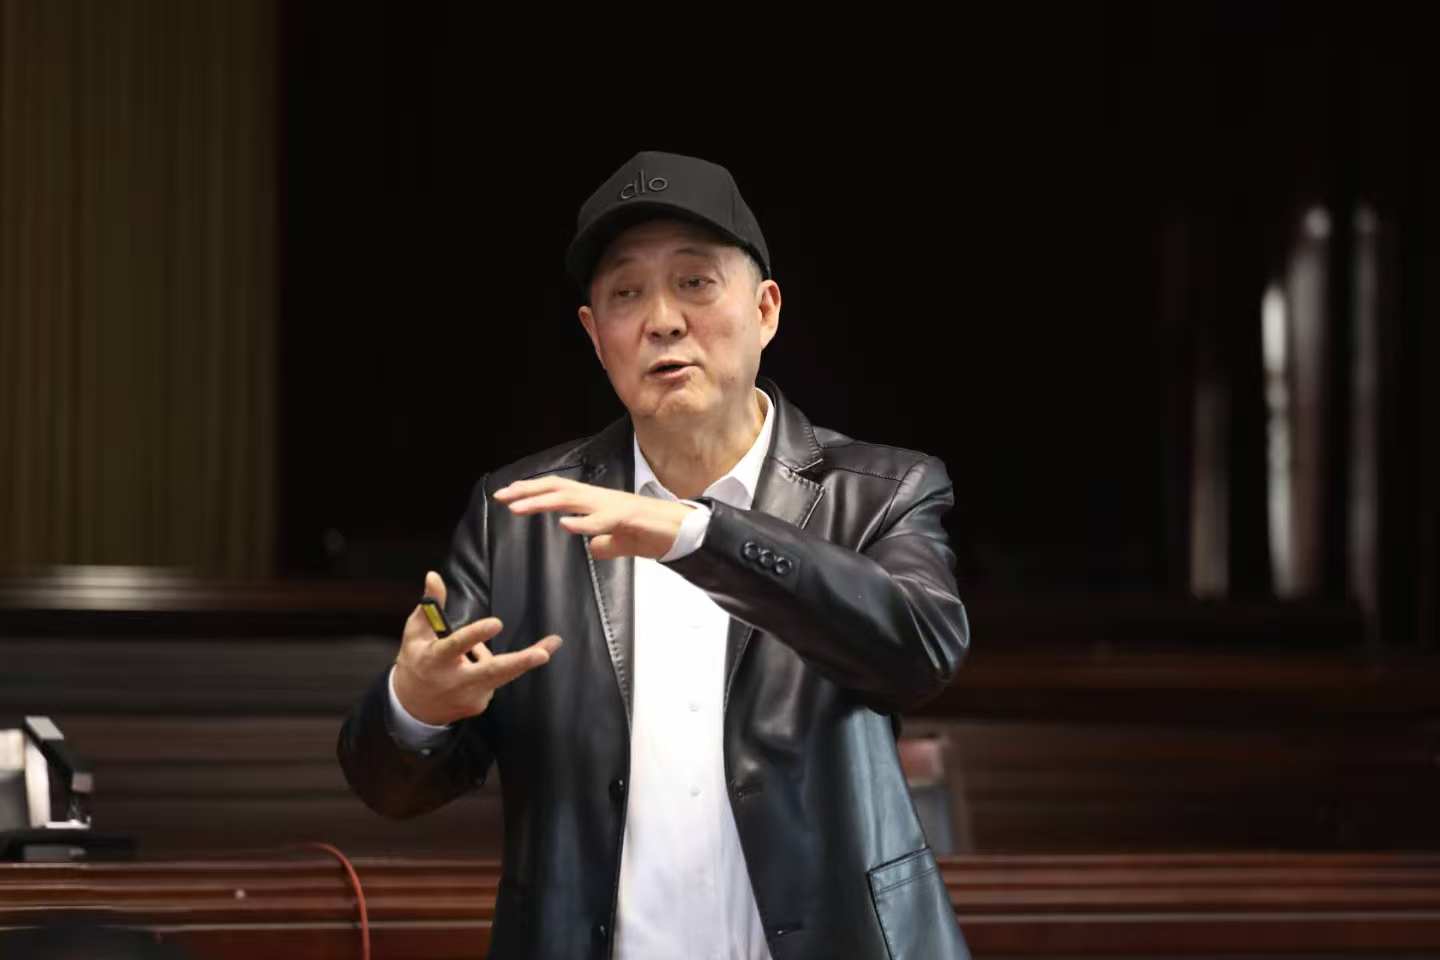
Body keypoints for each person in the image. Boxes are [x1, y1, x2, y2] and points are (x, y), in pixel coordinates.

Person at [338, 150, 971, 959]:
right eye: (626, 293)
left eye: (695, 282)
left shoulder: (878, 492)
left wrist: (698, 535)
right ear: (595, 336)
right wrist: (417, 705)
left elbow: (920, 650)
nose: (662, 320)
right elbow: (391, 788)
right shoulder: (522, 517)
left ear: (767, 310)